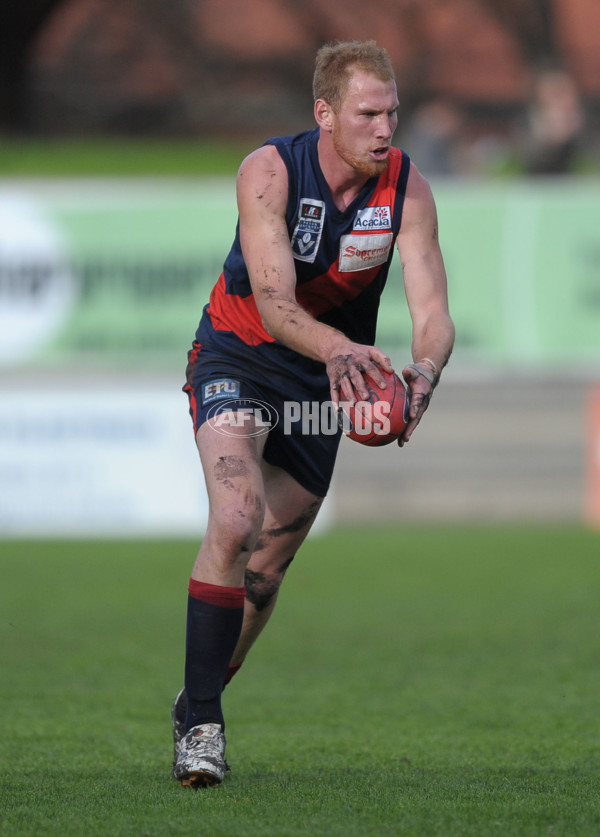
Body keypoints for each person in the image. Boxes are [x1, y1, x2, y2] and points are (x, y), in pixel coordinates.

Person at [172, 40, 455, 788]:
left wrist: (424, 371)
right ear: (324, 114)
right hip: (241, 354)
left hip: (326, 383)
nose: (385, 128)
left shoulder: (408, 189)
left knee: (265, 571)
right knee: (236, 516)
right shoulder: (268, 171)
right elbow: (273, 301)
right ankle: (203, 725)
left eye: (392, 112)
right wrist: (343, 350)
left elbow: (433, 312)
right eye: (368, 113)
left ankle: (196, 696)